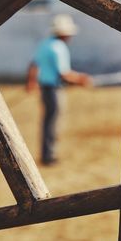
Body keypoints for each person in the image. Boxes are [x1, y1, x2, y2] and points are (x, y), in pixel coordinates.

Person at [27, 14, 92, 165]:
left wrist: (31, 82)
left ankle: (46, 153)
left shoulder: (45, 44)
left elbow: (34, 64)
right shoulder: (59, 48)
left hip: (45, 88)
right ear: (64, 33)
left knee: (47, 121)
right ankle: (49, 156)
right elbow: (65, 74)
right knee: (53, 122)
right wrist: (81, 80)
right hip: (54, 89)